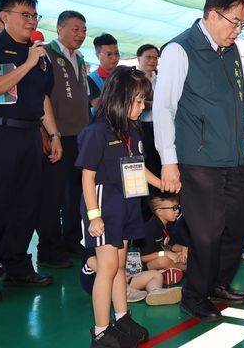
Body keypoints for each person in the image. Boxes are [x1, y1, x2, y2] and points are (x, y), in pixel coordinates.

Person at [153, 0, 244, 323]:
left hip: (235, 157)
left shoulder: (231, 50)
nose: (238, 29)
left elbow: (240, 93)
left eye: (242, 23)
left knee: (239, 225)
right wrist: (169, 160)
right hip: (198, 159)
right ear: (212, 14)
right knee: (206, 232)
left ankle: (219, 283)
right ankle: (195, 294)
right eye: (235, 21)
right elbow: (163, 108)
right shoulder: (179, 50)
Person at [0, 0, 60, 304]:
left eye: (34, 16)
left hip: (28, 138)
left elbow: (42, 99)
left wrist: (52, 134)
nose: (31, 21)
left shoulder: (40, 56)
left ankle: (17, 267)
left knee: (26, 207)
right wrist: (27, 63)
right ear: (4, 17)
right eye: (24, 14)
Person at [76, 66, 160, 347]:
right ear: (119, 98)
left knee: (121, 265)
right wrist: (93, 216)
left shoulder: (132, 131)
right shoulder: (96, 131)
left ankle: (122, 317)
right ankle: (101, 331)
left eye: (143, 101)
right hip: (104, 202)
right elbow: (87, 177)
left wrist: (164, 183)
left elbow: (138, 168)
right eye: (137, 101)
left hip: (127, 202)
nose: (141, 107)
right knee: (107, 266)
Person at [36, 10, 90, 269]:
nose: (80, 34)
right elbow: (39, 96)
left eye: (83, 30)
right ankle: (48, 249)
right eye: (75, 29)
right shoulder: (44, 53)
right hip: (57, 136)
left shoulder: (80, 58)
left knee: (75, 194)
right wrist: (47, 133)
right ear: (59, 28)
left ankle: (71, 240)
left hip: (81, 136)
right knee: (52, 195)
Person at [81, 248, 183, 306]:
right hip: (97, 281)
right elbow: (91, 262)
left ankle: (156, 292)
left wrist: (128, 272)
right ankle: (122, 291)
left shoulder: (125, 235)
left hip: (122, 278)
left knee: (155, 275)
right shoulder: (98, 236)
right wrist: (117, 276)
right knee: (115, 280)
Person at [141, 192, 188, 272]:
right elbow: (143, 257)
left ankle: (172, 270)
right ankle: (189, 269)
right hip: (147, 265)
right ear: (159, 211)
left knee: (188, 252)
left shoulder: (169, 224)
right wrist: (165, 253)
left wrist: (183, 249)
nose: (177, 211)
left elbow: (171, 245)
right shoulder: (149, 228)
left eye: (177, 207)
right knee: (163, 260)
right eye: (174, 208)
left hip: (166, 256)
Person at [136, 44, 162, 180]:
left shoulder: (162, 80)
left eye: (155, 58)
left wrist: (149, 104)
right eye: (148, 57)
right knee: (142, 163)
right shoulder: (133, 79)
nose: (152, 61)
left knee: (157, 164)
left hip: (158, 127)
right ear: (139, 58)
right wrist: (154, 104)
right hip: (139, 128)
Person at [88, 33, 119, 110]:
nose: (114, 58)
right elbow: (98, 105)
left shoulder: (123, 76)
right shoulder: (90, 79)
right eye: (109, 54)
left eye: (116, 53)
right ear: (98, 55)